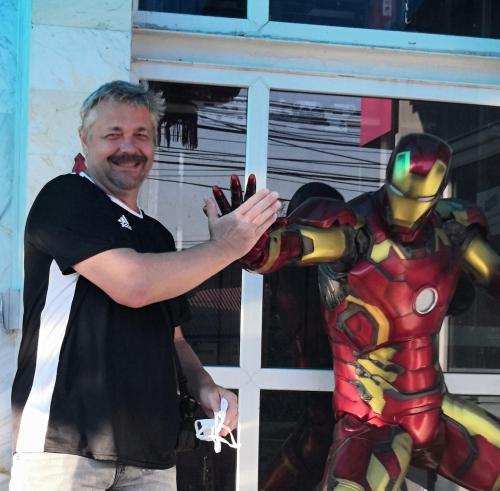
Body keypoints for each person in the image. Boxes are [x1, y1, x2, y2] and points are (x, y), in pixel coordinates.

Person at [9, 80, 281, 490]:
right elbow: (134, 284)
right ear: (85, 139)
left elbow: (174, 339)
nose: (128, 146)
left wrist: (205, 386)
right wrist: (226, 246)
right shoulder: (65, 198)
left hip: (152, 458)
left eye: (141, 134)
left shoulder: (158, 236)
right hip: (63, 447)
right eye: (113, 134)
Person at [213, 133, 500, 490]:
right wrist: (254, 245)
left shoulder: (451, 230)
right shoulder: (356, 231)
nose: (406, 213)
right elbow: (293, 245)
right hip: (371, 421)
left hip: (433, 411)